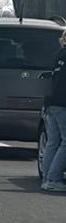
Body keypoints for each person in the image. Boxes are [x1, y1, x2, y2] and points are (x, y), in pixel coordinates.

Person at [40, 29, 66, 192]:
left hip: (52, 103)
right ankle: (53, 179)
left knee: (53, 142)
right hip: (63, 103)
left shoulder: (60, 54)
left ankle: (47, 178)